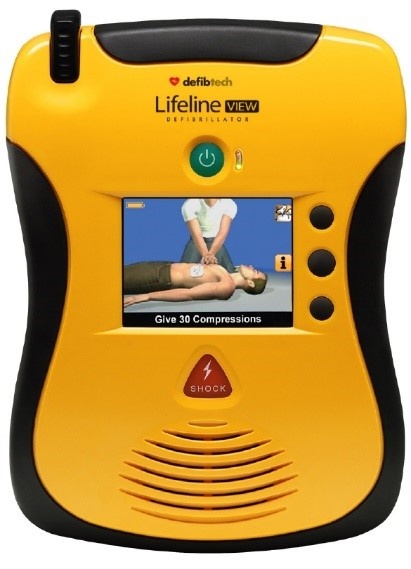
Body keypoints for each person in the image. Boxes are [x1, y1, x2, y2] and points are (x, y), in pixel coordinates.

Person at [123, 261, 267, 306]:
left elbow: (188, 294)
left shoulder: (227, 286)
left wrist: (147, 296)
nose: (251, 267)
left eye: (255, 271)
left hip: (157, 278)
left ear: (251, 283)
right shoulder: (226, 274)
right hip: (162, 266)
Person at [180, 198, 237, 272]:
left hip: (216, 242)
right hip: (196, 242)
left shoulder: (229, 204)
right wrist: (206, 255)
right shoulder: (189, 204)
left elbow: (222, 232)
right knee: (183, 272)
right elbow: (197, 234)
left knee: (231, 273)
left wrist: (211, 253)